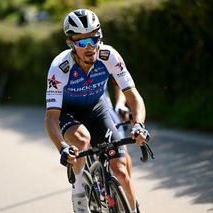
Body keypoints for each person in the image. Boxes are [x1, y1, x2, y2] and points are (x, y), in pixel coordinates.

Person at [44, 9, 150, 213]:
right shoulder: (60, 67)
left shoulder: (109, 56)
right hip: (70, 112)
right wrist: (62, 147)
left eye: (94, 39)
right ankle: (78, 192)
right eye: (82, 43)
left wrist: (139, 125)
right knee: (82, 140)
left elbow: (133, 95)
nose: (90, 47)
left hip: (97, 108)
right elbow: (50, 117)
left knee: (121, 170)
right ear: (71, 43)